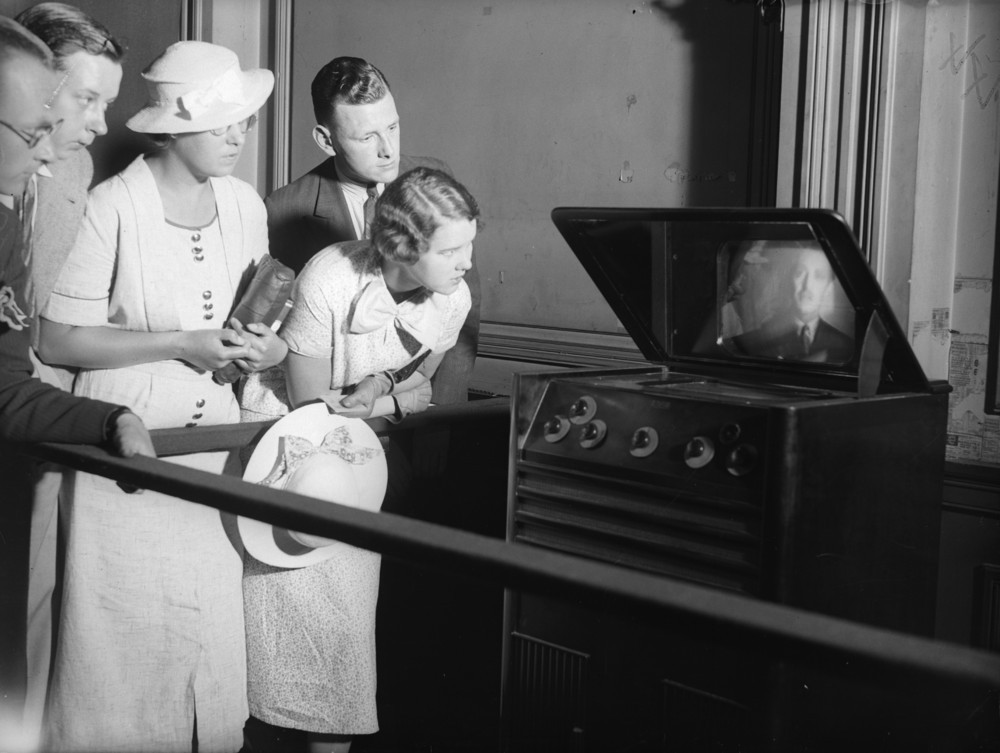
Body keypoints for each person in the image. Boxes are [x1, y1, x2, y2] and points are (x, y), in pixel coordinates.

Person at [37, 40, 281, 752]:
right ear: (173, 127)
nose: (239, 135)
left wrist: (259, 351)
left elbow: (250, 329)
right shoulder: (113, 205)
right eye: (221, 122)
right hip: (129, 459)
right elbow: (59, 340)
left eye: (244, 121)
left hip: (216, 464)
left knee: (205, 644)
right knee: (123, 651)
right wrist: (180, 343)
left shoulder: (243, 204)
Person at [240, 166, 478, 753]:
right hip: (286, 442)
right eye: (452, 249)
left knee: (344, 626)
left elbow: (416, 371)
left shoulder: (454, 296)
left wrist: (381, 387)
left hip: (356, 443)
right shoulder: (331, 275)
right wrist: (393, 402)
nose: (467, 261)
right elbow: (306, 398)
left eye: (470, 244)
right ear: (400, 246)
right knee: (280, 623)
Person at [0, 16, 153, 751]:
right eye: (86, 101)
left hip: (31, 407)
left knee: (27, 611)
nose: (99, 124)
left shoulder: (73, 176)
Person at [263, 56, 480, 407]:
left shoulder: (434, 179)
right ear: (326, 140)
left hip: (412, 400)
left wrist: (444, 414)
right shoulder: (284, 209)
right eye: (367, 137)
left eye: (392, 128)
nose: (388, 150)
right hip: (319, 403)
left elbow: (464, 312)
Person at [727, 242, 854, 363]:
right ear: (789, 279)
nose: (807, 286)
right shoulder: (753, 340)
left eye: (819, 276)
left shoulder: (846, 346)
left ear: (829, 287)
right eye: (799, 273)